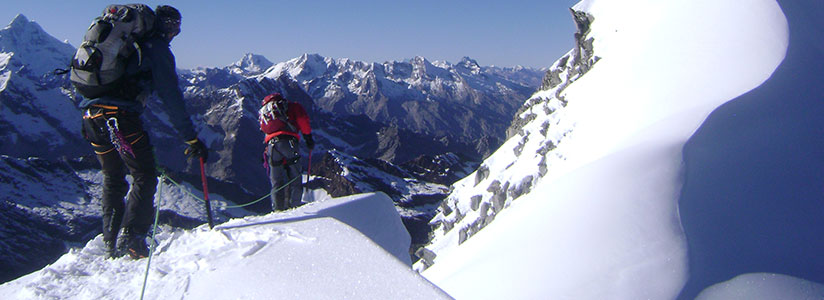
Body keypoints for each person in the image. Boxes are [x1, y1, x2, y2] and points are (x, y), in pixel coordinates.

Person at [79, 5, 208, 259]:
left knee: (112, 177)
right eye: (174, 29)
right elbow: (171, 98)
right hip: (121, 119)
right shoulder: (156, 49)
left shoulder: (124, 46)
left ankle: (110, 240)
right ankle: (132, 238)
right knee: (144, 175)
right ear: (167, 27)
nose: (174, 35)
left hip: (91, 117)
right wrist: (191, 137)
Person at [259, 92, 314, 211]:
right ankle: (295, 207)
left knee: (276, 180)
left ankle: (277, 209)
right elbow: (303, 120)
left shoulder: (266, 112)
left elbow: (265, 130)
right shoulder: (292, 106)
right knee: (295, 175)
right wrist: (308, 138)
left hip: (271, 146)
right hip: (289, 143)